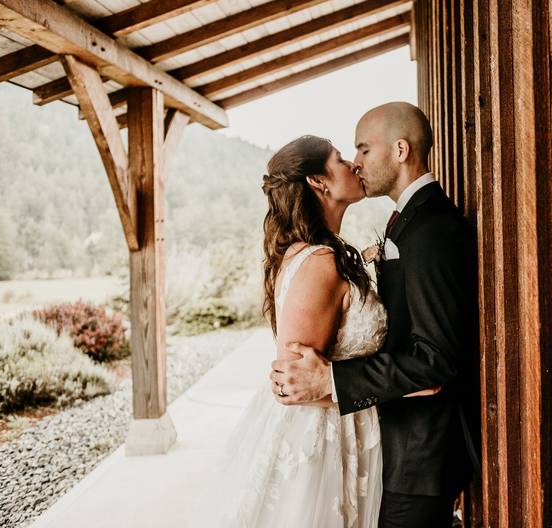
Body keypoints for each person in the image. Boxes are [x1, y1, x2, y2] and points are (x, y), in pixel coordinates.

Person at [195, 134, 427, 527]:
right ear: (318, 182)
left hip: (348, 424)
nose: (354, 164)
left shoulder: (322, 252)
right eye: (340, 159)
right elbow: (296, 386)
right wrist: (402, 388)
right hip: (321, 441)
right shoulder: (319, 262)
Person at [272, 103, 481, 528]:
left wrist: (331, 379)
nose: (356, 162)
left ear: (400, 150)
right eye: (347, 154)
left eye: (363, 150)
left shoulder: (430, 229)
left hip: (420, 454)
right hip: (384, 445)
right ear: (317, 182)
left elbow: (435, 359)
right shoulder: (404, 224)